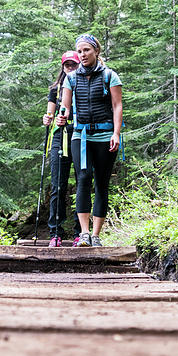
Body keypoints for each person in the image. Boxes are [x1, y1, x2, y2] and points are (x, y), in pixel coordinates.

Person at [55, 34, 122, 247]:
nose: (83, 55)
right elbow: (65, 105)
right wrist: (62, 116)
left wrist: (116, 133)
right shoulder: (71, 78)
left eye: (87, 50)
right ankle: (84, 233)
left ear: (96, 51)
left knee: (102, 183)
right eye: (80, 51)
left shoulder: (110, 76)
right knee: (83, 178)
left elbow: (117, 106)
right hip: (80, 135)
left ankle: (96, 235)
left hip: (104, 135)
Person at [42, 51, 82, 247]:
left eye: (73, 64)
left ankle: (80, 232)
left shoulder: (83, 84)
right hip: (60, 135)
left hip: (80, 133)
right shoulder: (55, 89)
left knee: (81, 182)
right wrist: (47, 118)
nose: (70, 68)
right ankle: (55, 233)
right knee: (58, 184)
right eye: (67, 65)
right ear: (62, 66)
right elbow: (50, 112)